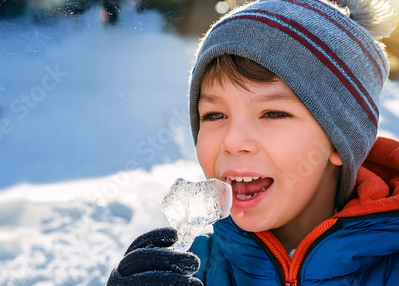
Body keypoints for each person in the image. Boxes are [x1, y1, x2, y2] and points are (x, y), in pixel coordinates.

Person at [107, 0, 399, 285]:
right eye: (215, 114)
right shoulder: (190, 270)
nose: (232, 142)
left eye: (272, 113)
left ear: (339, 140)